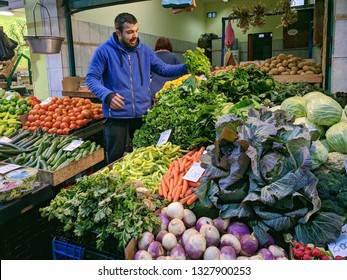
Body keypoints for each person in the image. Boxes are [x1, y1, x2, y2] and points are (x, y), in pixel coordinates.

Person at [86, 13, 187, 164]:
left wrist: (186, 67)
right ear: (118, 32)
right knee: (115, 159)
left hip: (142, 115)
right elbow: (91, 78)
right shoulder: (104, 51)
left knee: (145, 157)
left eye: (136, 30)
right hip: (116, 116)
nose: (134, 36)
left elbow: (163, 69)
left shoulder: (144, 51)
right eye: (129, 32)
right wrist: (107, 95)